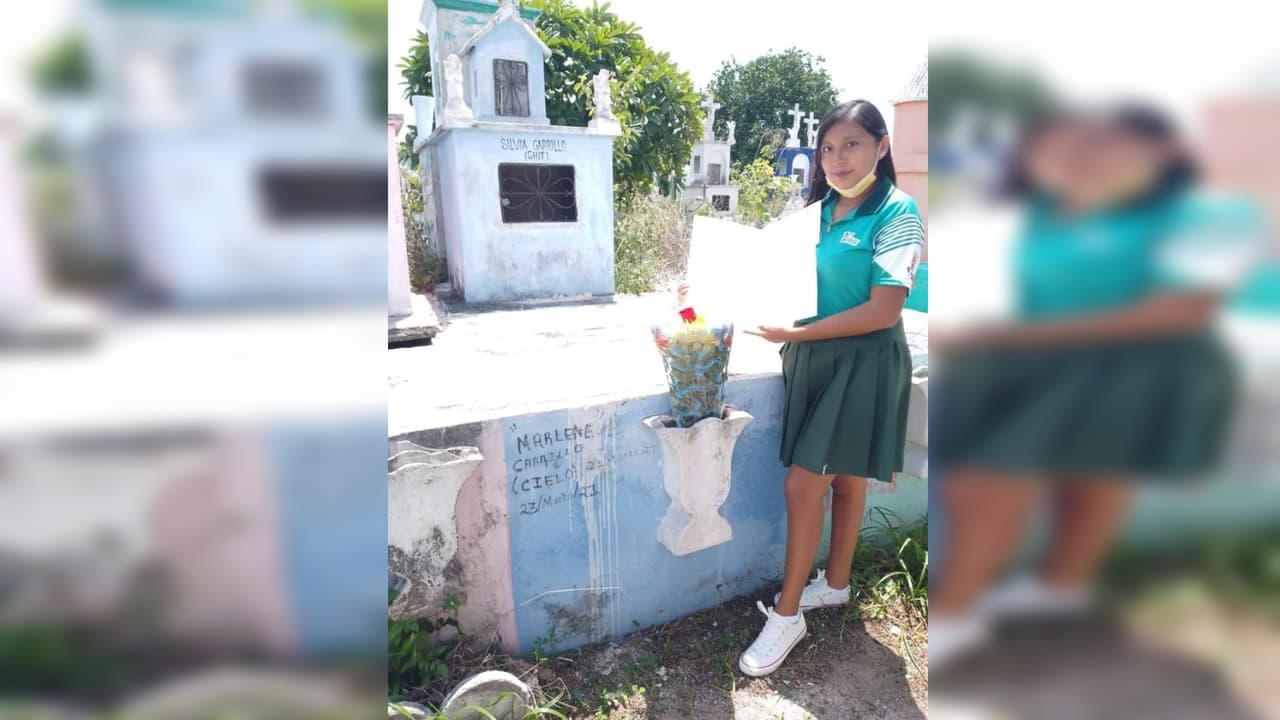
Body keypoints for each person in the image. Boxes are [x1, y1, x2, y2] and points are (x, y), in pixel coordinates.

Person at [929, 103, 1262, 667]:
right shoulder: (1051, 211)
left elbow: (1177, 313)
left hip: (1147, 368)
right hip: (1052, 366)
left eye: (1124, 143)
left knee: (996, 482)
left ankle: (958, 615)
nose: (1100, 155)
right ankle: (1060, 589)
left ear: (1169, 152)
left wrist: (1008, 341)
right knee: (1081, 482)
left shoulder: (1214, 214)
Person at [683, 98, 925, 677]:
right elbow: (764, 275)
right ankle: (835, 584)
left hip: (863, 361)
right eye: (829, 148)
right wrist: (704, 295)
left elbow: (884, 308)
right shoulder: (816, 214)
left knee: (803, 483)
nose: (838, 159)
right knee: (840, 474)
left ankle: (789, 613)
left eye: (852, 145)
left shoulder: (898, 212)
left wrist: (797, 330)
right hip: (813, 360)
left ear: (882, 146)